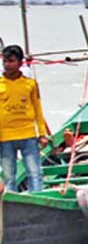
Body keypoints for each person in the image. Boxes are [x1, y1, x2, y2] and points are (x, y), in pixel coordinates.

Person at [0, 45, 49, 192]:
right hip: (5, 137)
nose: (7, 65)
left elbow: (37, 109)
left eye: (11, 61)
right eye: (5, 61)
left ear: (20, 63)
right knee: (9, 176)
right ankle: (11, 206)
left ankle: (37, 199)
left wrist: (42, 134)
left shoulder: (30, 84)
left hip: (28, 135)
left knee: (35, 173)